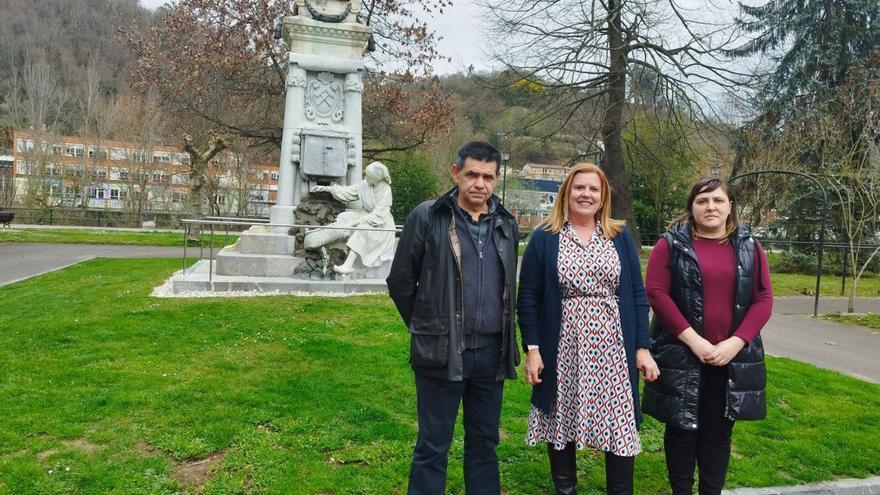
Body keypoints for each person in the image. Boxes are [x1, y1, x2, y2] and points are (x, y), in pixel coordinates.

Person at [386, 141, 520, 495]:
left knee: (484, 444)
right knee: (433, 445)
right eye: (472, 174)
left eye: (488, 176)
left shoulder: (506, 224)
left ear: (496, 178)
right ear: (455, 172)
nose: (480, 183)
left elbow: (509, 286)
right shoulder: (427, 216)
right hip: (441, 351)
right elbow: (401, 281)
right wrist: (428, 326)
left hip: (491, 355)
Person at [518, 162, 659, 495]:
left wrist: (642, 346)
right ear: (567, 192)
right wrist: (533, 349)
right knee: (561, 422)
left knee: (619, 425)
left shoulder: (619, 235)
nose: (586, 194)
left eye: (594, 189)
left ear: (603, 196)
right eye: (580, 187)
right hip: (563, 346)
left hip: (613, 347)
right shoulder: (544, 237)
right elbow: (529, 298)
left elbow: (637, 295)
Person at [642, 178, 773, 495]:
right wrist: (695, 341)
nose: (710, 207)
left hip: (730, 359)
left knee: (718, 433)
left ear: (730, 207)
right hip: (681, 355)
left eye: (717, 200)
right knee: (682, 430)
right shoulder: (670, 244)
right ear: (691, 207)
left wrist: (735, 342)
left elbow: (763, 298)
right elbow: (657, 293)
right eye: (702, 201)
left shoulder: (749, 246)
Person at [305, 161, 396, 274]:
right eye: (366, 175)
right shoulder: (365, 184)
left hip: (381, 223)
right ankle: (331, 240)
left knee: (362, 229)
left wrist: (355, 223)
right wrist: (327, 189)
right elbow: (347, 191)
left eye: (369, 176)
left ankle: (348, 265)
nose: (366, 178)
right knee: (345, 217)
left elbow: (379, 214)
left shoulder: (385, 190)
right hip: (365, 215)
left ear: (377, 178)